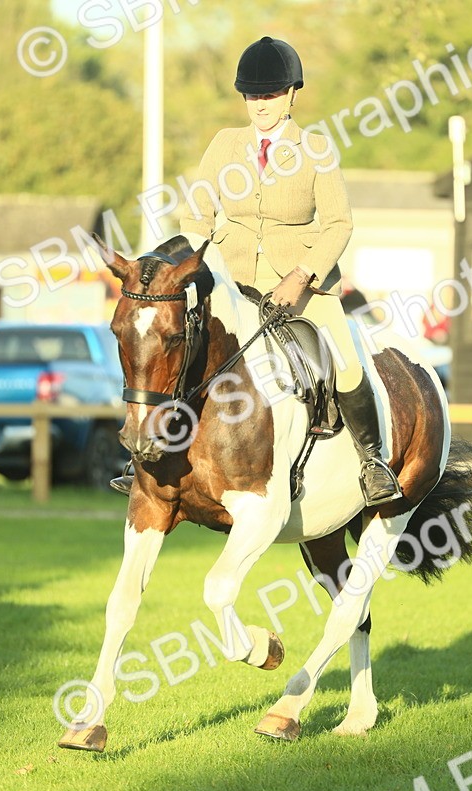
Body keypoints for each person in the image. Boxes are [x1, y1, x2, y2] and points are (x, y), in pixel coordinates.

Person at [112, 36, 402, 506]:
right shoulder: (226, 144)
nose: (260, 105)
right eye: (252, 95)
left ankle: (372, 462)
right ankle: (146, 459)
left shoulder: (316, 148)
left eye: (269, 95)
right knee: (179, 353)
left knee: (345, 362)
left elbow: (338, 223)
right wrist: (202, 268)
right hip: (234, 282)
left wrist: (302, 274)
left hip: (303, 289)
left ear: (290, 94)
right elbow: (195, 216)